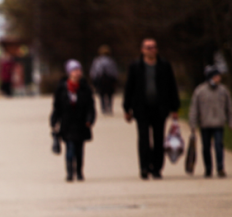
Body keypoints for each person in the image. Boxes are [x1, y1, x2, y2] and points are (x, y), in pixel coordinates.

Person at [122, 38, 181, 180]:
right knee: (143, 139)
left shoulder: (164, 65)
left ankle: (157, 168)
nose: (151, 49)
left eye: (153, 47)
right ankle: (144, 167)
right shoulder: (136, 66)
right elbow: (129, 87)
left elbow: (172, 86)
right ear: (142, 49)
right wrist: (127, 108)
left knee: (158, 138)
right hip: (141, 108)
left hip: (160, 108)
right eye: (148, 47)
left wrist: (175, 108)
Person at [50, 60, 96, 182]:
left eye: (79, 70)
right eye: (74, 70)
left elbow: (91, 107)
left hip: (81, 124)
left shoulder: (85, 88)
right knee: (70, 148)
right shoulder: (62, 89)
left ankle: (79, 172)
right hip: (67, 124)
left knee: (80, 150)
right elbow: (57, 107)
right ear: (69, 73)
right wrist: (54, 121)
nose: (77, 73)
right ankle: (70, 172)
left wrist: (90, 120)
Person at [188, 66, 231, 178]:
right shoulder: (200, 91)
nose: (218, 78)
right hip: (205, 123)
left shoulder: (223, 91)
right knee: (206, 147)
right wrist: (193, 123)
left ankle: (220, 167)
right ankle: (208, 168)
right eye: (216, 76)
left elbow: (229, 108)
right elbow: (194, 108)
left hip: (218, 123)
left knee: (218, 145)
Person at [89, 45, 119, 115]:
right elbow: (114, 72)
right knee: (110, 94)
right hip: (110, 80)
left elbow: (94, 71)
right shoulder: (111, 61)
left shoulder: (97, 60)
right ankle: (109, 107)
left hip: (101, 80)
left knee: (101, 94)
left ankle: (103, 107)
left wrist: (94, 80)